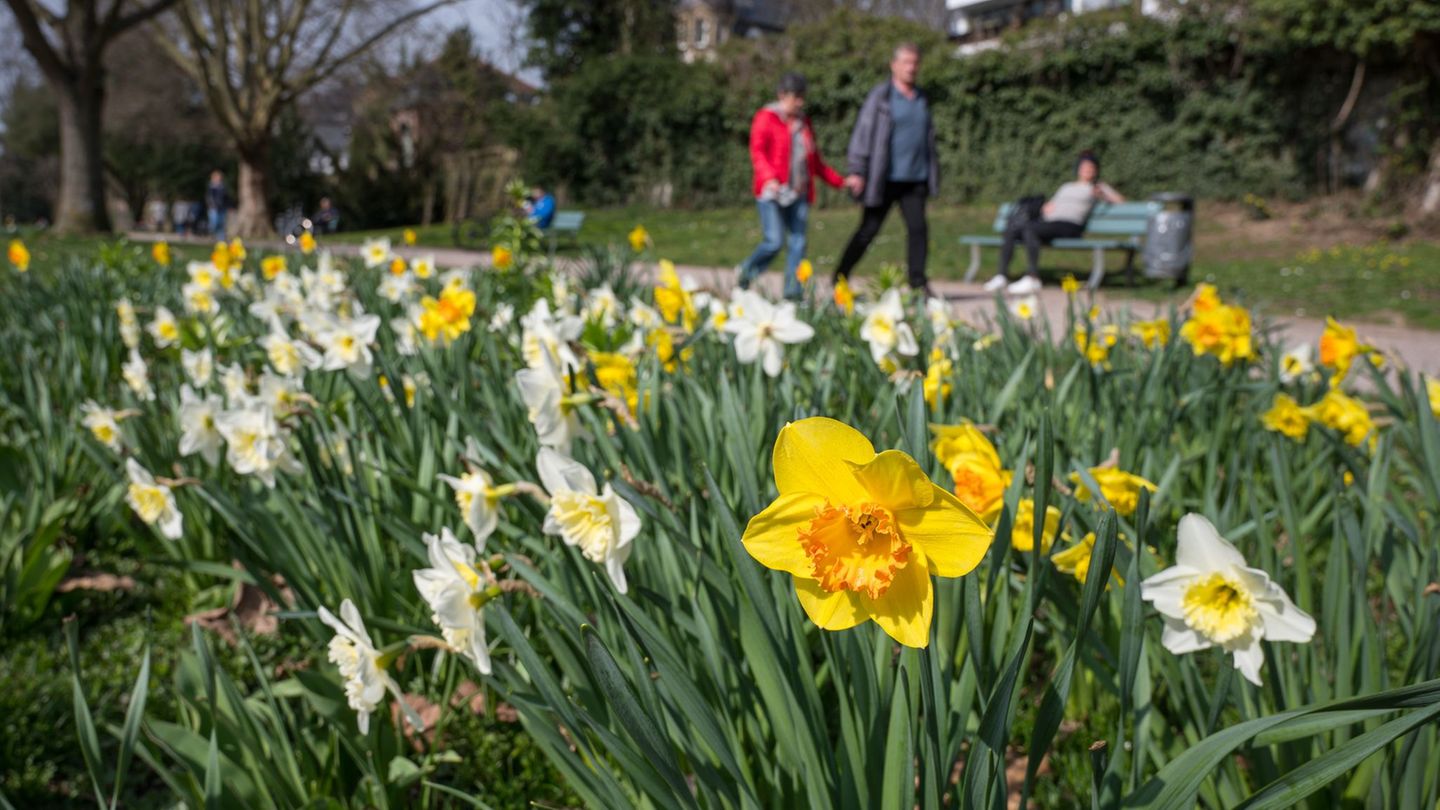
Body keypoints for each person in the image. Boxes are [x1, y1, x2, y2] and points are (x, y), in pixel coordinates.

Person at [833, 42, 940, 297]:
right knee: (868, 230)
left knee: (918, 229)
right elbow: (863, 133)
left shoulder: (922, 98)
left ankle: (918, 284)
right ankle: (840, 276)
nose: (911, 68)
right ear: (894, 65)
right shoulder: (880, 97)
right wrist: (858, 170)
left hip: (915, 179)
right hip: (884, 179)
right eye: (906, 62)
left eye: (915, 63)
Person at [735, 72, 843, 300]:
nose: (801, 102)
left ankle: (792, 291)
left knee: (798, 243)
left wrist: (840, 182)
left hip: (798, 192)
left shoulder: (804, 123)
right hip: (771, 193)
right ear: (782, 95)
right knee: (774, 241)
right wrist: (769, 178)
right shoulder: (766, 117)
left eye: (803, 97)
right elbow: (758, 151)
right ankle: (745, 272)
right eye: (796, 97)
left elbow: (815, 162)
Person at [984, 150, 1126, 294]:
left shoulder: (1097, 187)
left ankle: (1032, 278)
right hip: (1051, 223)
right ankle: (1001, 276)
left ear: (1096, 171)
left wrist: (1102, 192)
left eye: (1090, 168)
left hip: (1070, 225)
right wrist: (1045, 207)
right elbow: (1053, 203)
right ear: (1078, 169)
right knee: (1011, 229)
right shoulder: (1066, 186)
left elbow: (1120, 201)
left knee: (1030, 229)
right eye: (1084, 167)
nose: (1087, 170)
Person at [205, 170, 229, 242]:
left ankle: (221, 239)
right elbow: (208, 197)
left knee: (221, 223)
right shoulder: (211, 187)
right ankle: (211, 236)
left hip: (222, 207)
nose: (218, 179)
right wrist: (211, 205)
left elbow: (226, 197)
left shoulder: (223, 187)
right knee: (214, 223)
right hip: (213, 208)